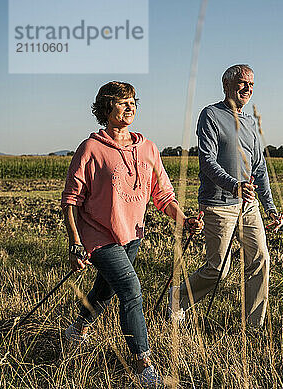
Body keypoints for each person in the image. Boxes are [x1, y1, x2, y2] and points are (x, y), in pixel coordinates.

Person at [61, 81, 203, 388]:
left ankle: (78, 329)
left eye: (133, 102)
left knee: (106, 289)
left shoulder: (148, 147)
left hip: (132, 234)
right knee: (131, 291)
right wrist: (75, 242)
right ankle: (142, 363)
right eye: (123, 102)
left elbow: (163, 195)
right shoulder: (91, 149)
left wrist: (184, 220)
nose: (131, 107)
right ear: (106, 109)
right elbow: (70, 201)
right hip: (98, 235)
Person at [169, 64, 283, 327]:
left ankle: (253, 326)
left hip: (248, 205)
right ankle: (178, 298)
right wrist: (233, 186)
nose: (248, 88)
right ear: (227, 85)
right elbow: (207, 161)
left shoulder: (250, 122)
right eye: (243, 83)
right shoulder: (210, 115)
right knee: (218, 270)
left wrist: (271, 208)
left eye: (252, 84)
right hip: (218, 204)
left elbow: (259, 167)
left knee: (259, 260)